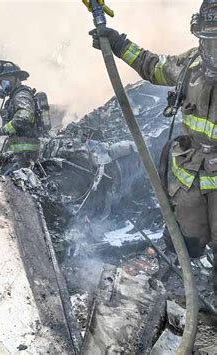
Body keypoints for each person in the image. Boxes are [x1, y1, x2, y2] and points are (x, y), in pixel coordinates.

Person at [89, 0, 217, 291]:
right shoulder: (190, 66)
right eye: (212, 43)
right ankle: (179, 292)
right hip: (192, 177)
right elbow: (153, 66)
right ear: (200, 37)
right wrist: (118, 44)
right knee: (184, 242)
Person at [0, 60, 41, 174]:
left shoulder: (21, 95)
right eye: (1, 82)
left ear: (17, 79)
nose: (3, 85)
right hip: (20, 155)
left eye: (6, 80)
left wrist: (2, 130)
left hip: (24, 157)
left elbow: (24, 117)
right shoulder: (14, 98)